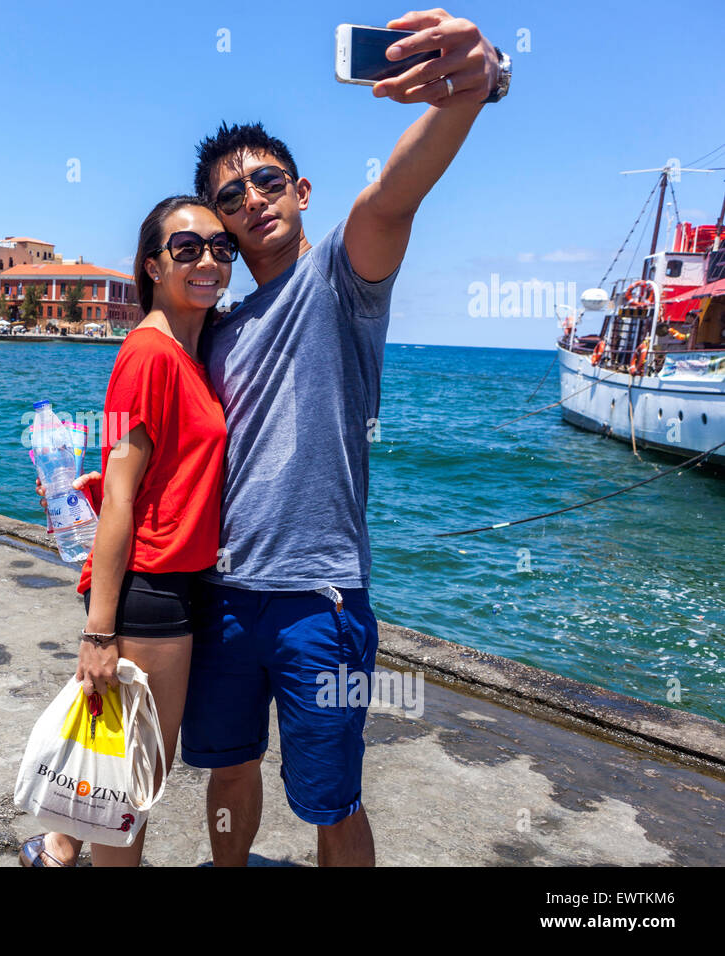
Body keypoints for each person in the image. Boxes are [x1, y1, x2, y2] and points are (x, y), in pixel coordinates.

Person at [35, 10, 505, 866]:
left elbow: (392, 194)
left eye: (269, 181)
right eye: (230, 197)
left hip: (319, 600)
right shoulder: (213, 328)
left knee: (333, 800)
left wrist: (470, 90)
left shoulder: (340, 276)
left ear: (301, 193)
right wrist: (94, 497)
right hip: (221, 595)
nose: (252, 199)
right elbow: (164, 450)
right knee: (229, 770)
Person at [20, 195, 235, 867]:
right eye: (187, 247)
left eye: (221, 248)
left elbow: (145, 472)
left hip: (180, 583)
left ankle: (57, 846)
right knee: (132, 790)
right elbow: (120, 494)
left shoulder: (189, 351)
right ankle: (65, 845)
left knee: (122, 766)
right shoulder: (150, 354)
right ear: (152, 263)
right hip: (153, 592)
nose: (208, 259)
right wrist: (99, 633)